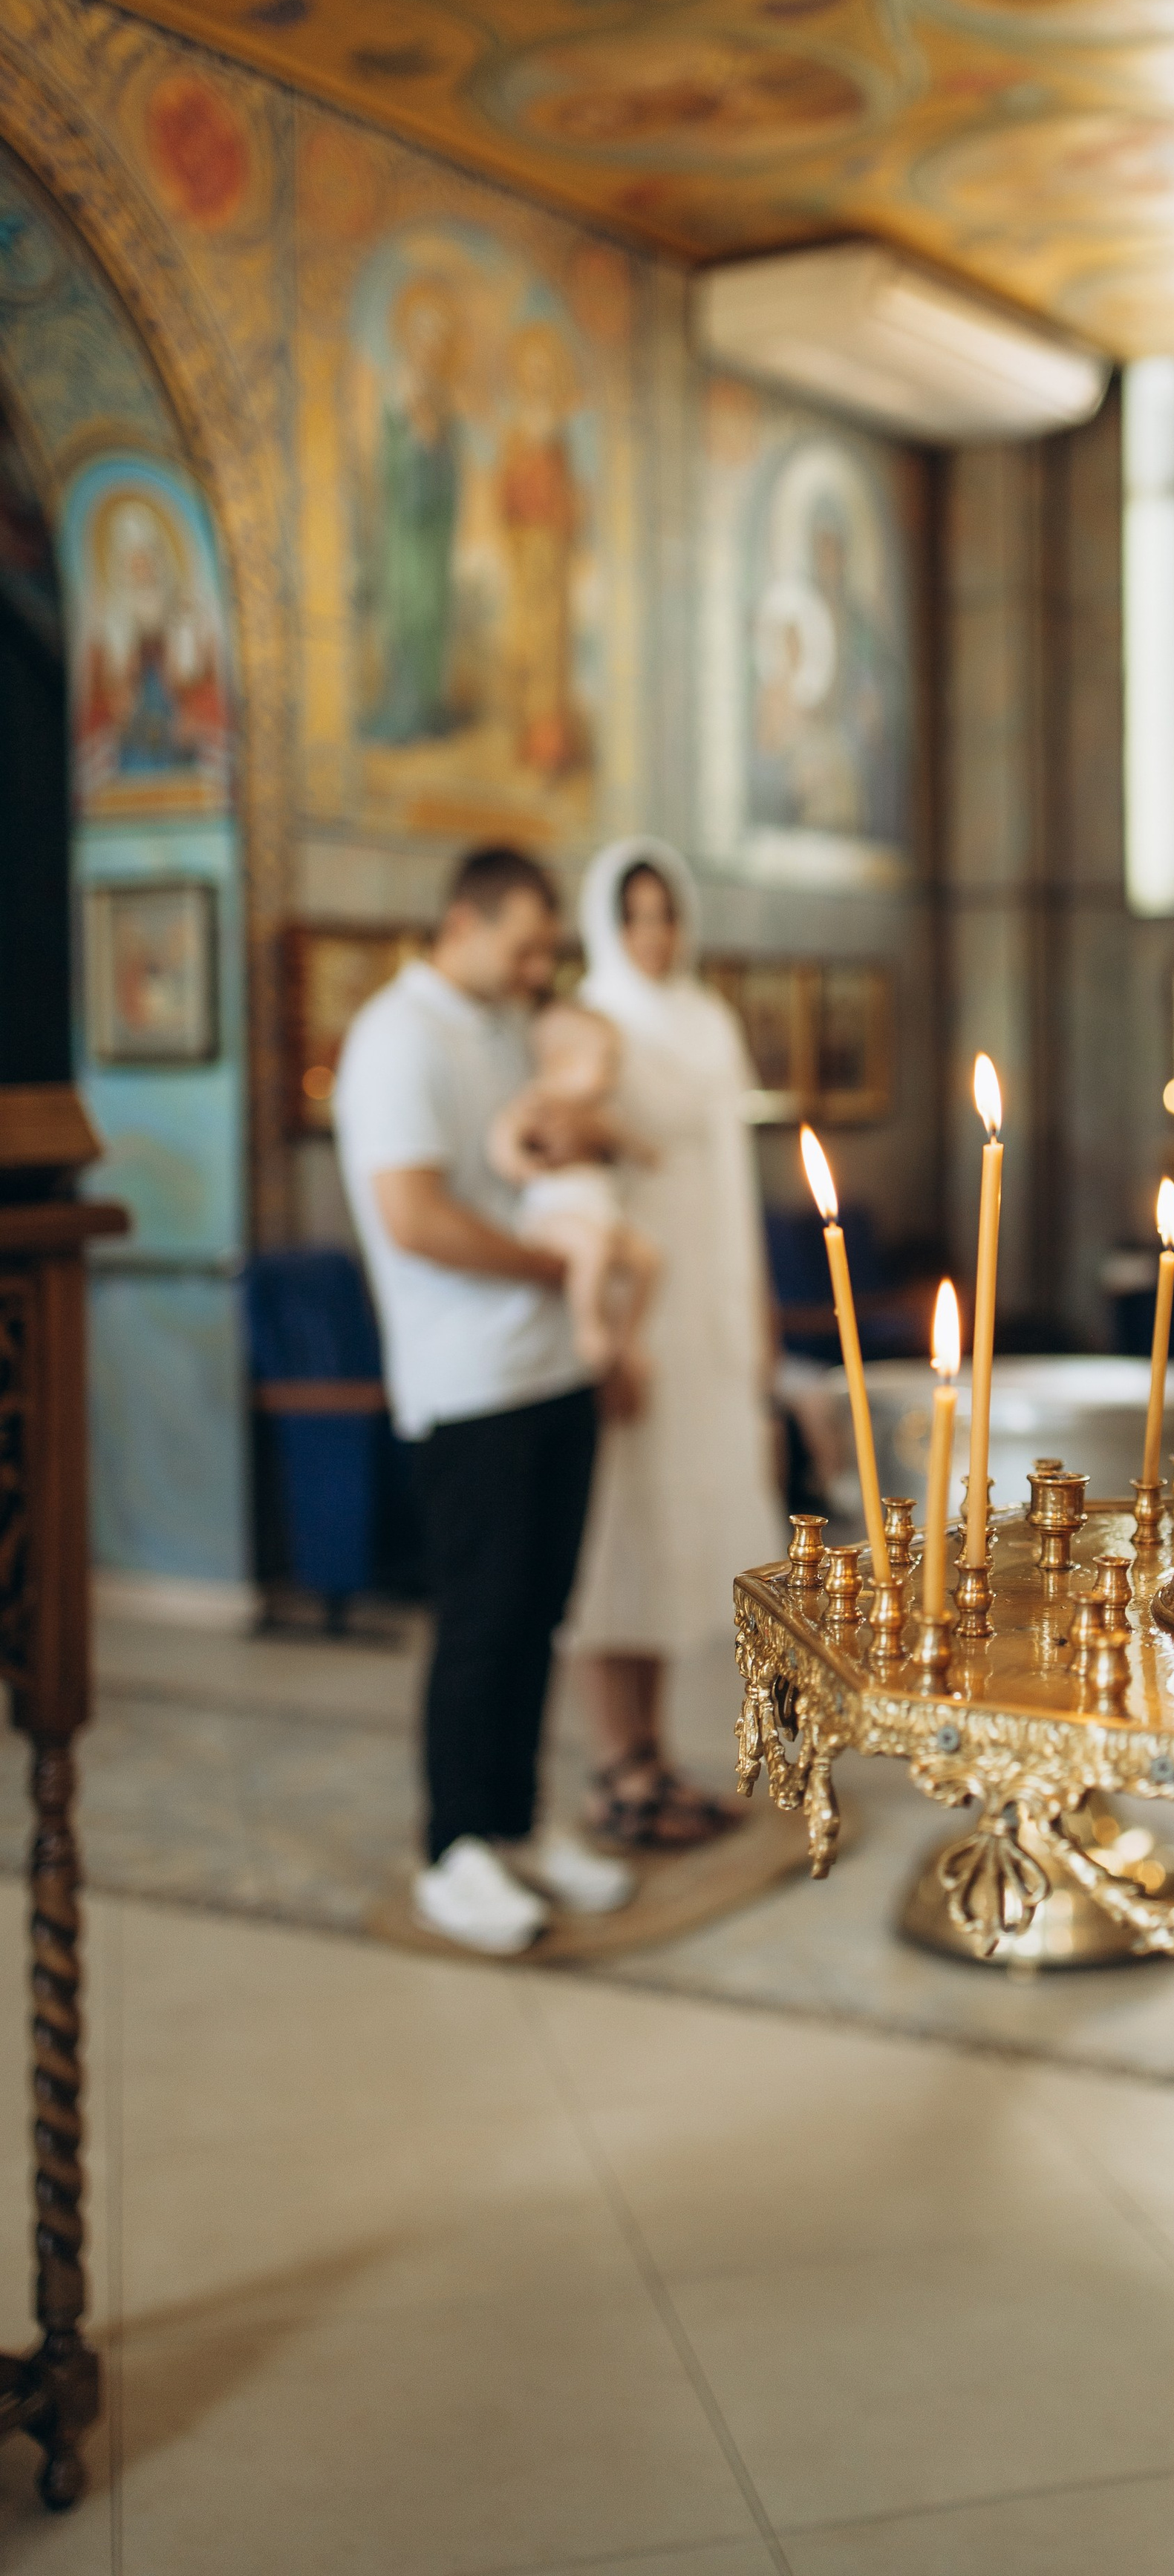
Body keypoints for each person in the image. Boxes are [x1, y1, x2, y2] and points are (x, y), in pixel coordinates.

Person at [333, 846, 636, 1954]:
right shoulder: (395, 1038)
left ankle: (515, 1825)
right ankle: (452, 1849)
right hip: (469, 1380)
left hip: (555, 1367)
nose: (538, 965)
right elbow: (414, 1217)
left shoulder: (510, 1027)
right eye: (525, 944)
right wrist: (556, 1267)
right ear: (464, 919)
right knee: (480, 1617)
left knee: (541, 1615)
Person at [564, 835, 784, 1846]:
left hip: (708, 1299)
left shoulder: (707, 1020)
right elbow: (580, 1185)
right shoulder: (592, 1024)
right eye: (633, 916)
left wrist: (756, 1309)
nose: (652, 935)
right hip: (633, 1302)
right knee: (620, 1528)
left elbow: (737, 1183)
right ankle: (619, 1761)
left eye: (665, 915)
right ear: (605, 926)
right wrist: (606, 1329)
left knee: (679, 1533)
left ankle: (656, 1755)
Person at [487, 999, 658, 1386]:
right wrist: (515, 1161)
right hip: (554, 1215)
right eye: (608, 1061)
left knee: (649, 1261)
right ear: (563, 1061)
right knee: (591, 1250)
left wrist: (644, 1153)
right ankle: (589, 1328)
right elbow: (503, 1133)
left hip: (600, 1215)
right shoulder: (539, 1103)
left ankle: (628, 1336)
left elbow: (624, 1140)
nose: (616, 1075)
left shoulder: (596, 1113)